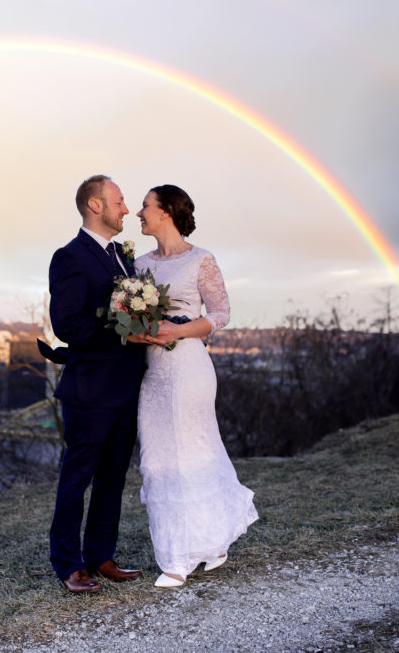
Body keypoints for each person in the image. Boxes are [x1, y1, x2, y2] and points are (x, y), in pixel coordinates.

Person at [133, 184, 258, 588]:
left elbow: (221, 312)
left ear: (166, 211)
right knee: (157, 459)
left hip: (189, 369)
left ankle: (178, 560)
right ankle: (205, 545)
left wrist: (181, 329)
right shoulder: (137, 266)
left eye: (146, 206)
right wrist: (138, 331)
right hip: (153, 374)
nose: (139, 213)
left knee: (194, 453)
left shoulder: (201, 260)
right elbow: (131, 319)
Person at [46, 175, 148, 594]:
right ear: (95, 205)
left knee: (114, 478)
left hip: (126, 388)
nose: (126, 209)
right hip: (90, 391)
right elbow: (66, 323)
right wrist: (122, 332)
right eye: (120, 201)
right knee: (77, 479)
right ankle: (69, 564)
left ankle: (101, 556)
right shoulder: (69, 256)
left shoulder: (124, 258)